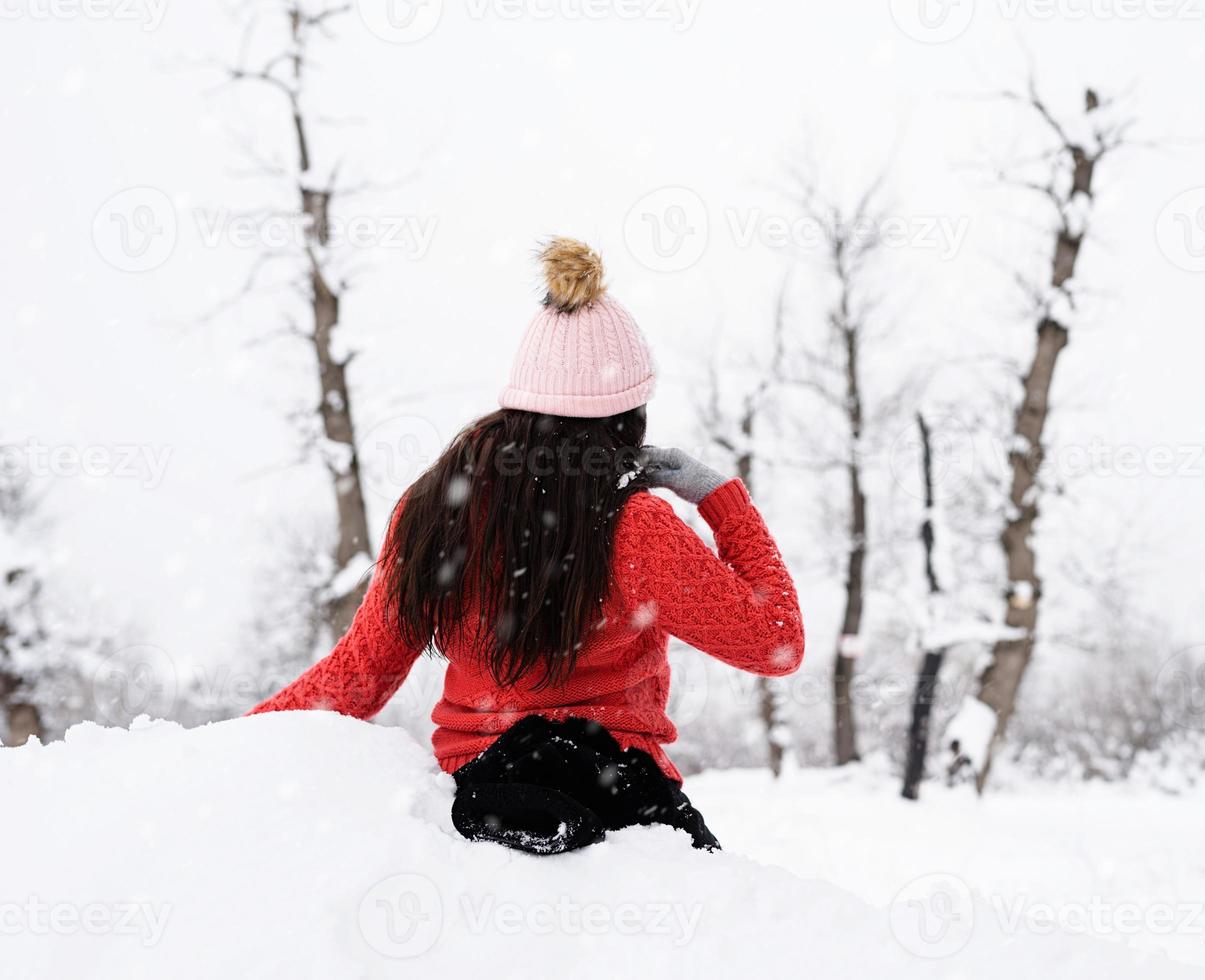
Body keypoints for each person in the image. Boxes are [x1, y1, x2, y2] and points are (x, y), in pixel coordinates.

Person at [249, 238, 804, 854]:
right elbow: (776, 642)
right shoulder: (635, 527)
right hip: (615, 796)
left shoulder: (433, 511)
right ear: (627, 419)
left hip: (479, 790)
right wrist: (720, 497)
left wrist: (225, 744)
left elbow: (357, 678)